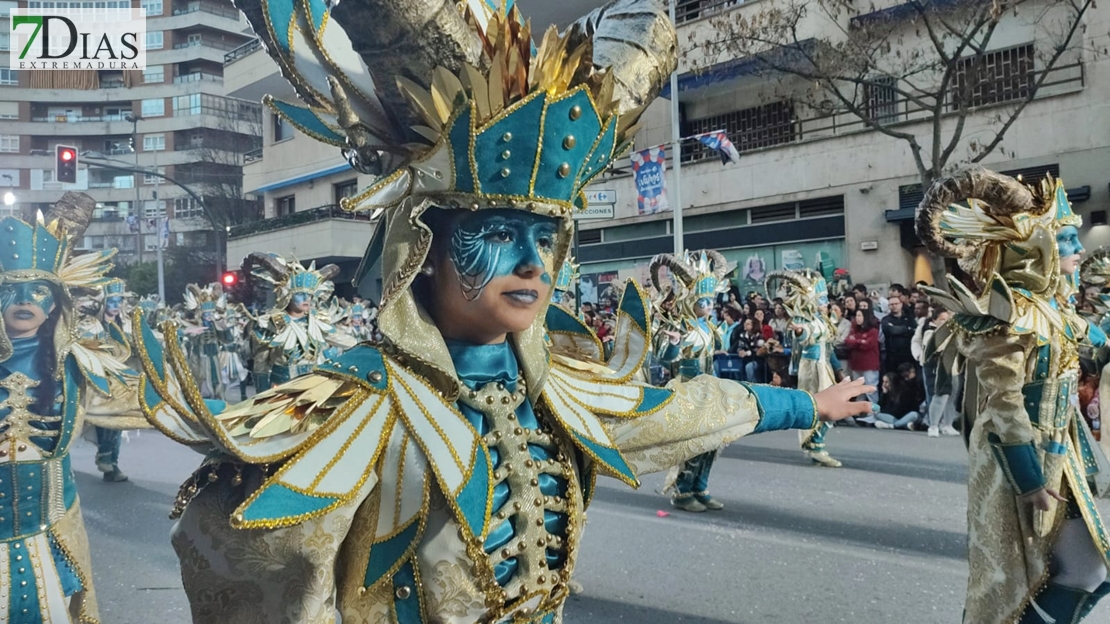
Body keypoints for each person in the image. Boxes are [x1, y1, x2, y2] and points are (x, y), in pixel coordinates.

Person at [130, 3, 879, 620]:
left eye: (544, 238)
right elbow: (257, 580)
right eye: (494, 234)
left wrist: (805, 402)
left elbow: (682, 410)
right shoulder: (348, 407)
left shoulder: (559, 388)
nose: (530, 265)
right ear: (420, 249)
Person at [919, 167, 1110, 623]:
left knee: (1090, 569)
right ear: (1034, 246)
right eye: (1066, 239)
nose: (1078, 249)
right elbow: (1003, 403)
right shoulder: (1007, 314)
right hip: (1017, 465)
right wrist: (1029, 480)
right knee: (1041, 579)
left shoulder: (1056, 312)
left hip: (1060, 461)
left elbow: (1099, 350)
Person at [0, 195, 140, 622]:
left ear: (56, 302)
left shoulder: (78, 364)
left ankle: (108, 458)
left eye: (38, 290)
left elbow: (149, 405)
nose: (25, 300)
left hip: (51, 533)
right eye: (11, 290)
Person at [246, 254, 354, 391]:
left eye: (309, 294)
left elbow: (346, 341)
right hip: (283, 390)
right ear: (287, 296)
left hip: (314, 388)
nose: (306, 298)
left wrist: (369, 348)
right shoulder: (270, 323)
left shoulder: (318, 321)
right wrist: (261, 394)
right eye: (300, 294)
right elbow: (261, 364)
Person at [768, 270, 843, 467]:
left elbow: (828, 348)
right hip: (811, 368)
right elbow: (803, 337)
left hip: (823, 366)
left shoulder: (824, 322)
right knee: (820, 407)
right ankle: (814, 445)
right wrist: (801, 332)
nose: (825, 304)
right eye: (821, 300)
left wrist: (839, 370)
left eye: (826, 300)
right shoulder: (806, 321)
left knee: (831, 407)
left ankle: (814, 443)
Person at [845, 309, 881, 404]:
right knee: (858, 388)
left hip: (869, 365)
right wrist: (860, 341)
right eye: (856, 315)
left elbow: (867, 345)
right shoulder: (854, 330)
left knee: (871, 387)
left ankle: (874, 409)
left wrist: (856, 341)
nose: (857, 318)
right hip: (856, 364)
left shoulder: (873, 331)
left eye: (860, 315)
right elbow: (848, 341)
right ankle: (860, 409)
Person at [880, 293, 917, 375]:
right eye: (891, 304)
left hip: (909, 355)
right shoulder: (885, 319)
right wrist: (906, 329)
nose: (894, 306)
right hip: (893, 357)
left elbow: (914, 330)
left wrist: (899, 329)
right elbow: (891, 330)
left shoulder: (909, 317)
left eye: (896, 304)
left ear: (901, 304)